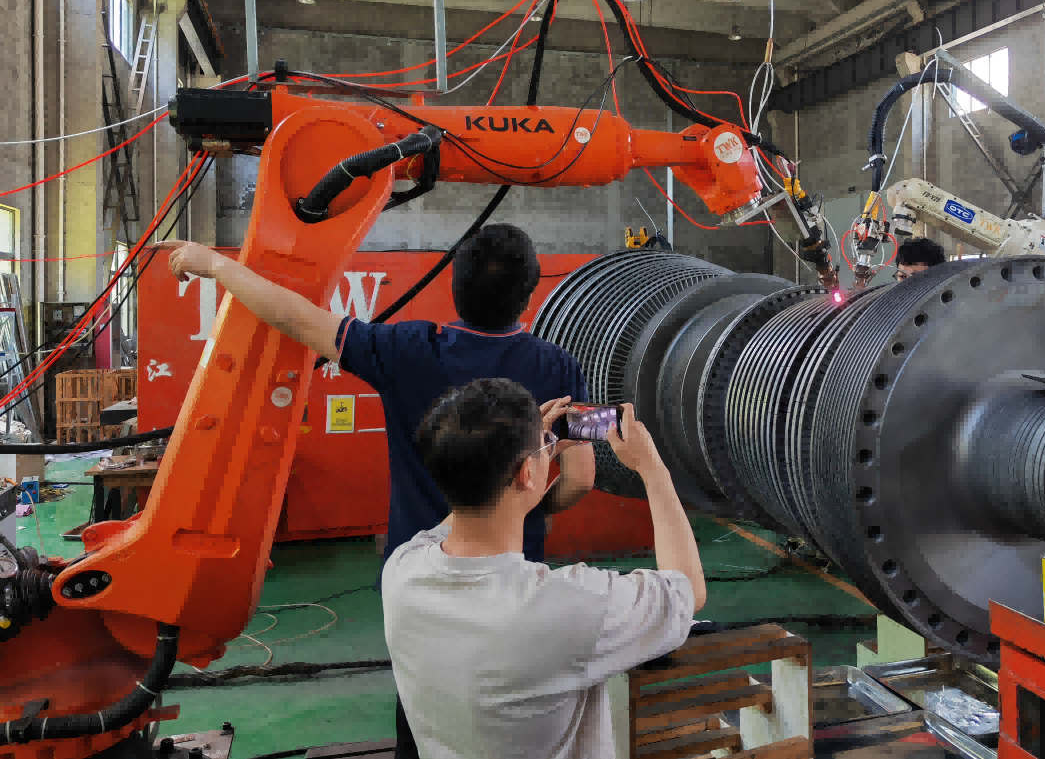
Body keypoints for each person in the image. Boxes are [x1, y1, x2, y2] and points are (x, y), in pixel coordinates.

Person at [157, 224, 597, 759]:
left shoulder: (406, 348)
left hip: (419, 582)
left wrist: (215, 265)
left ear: (454, 285)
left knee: (422, 712)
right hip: (514, 576)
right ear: (529, 294)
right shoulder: (558, 367)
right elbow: (581, 478)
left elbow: (298, 318)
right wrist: (533, 508)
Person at [384, 378, 706, 759]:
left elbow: (467, 497)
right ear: (525, 474)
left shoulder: (402, 570)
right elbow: (686, 590)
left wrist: (532, 455)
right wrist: (652, 468)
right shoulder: (569, 605)